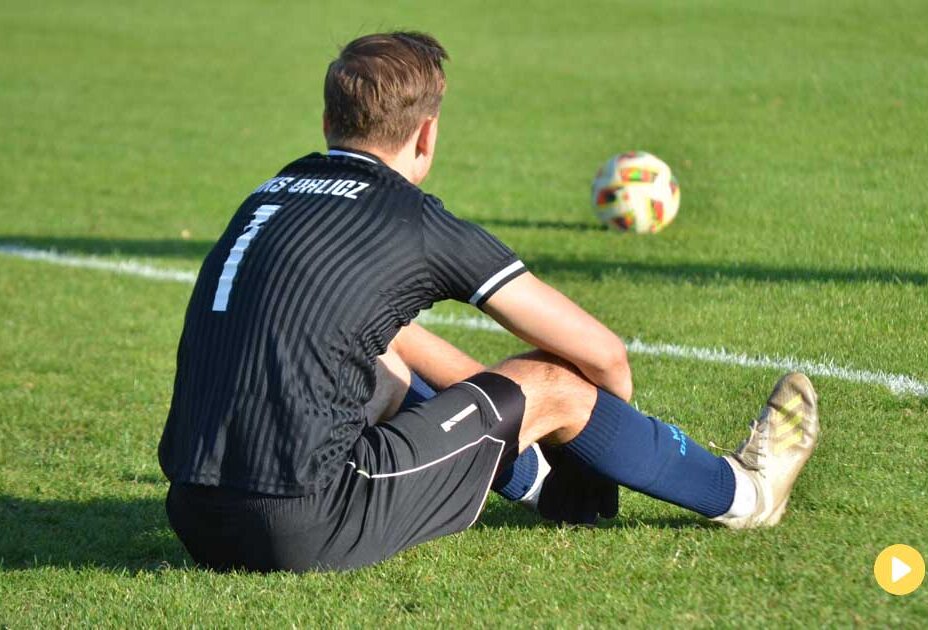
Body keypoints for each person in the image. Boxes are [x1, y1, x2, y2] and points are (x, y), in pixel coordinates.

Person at [158, 31, 820, 573]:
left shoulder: (269, 197)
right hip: (305, 525)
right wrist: (586, 444)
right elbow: (601, 355)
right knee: (551, 382)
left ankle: (535, 480)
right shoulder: (414, 223)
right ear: (427, 137)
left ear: (329, 123)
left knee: (389, 361)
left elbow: (393, 342)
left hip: (193, 511)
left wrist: (503, 417)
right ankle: (744, 492)